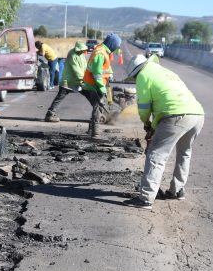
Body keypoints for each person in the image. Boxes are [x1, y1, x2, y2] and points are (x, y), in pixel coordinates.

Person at [122, 54, 205, 210]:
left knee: (156, 154)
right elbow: (164, 100)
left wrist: (146, 123)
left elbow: (144, 106)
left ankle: (146, 198)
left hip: (176, 115)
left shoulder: (143, 76)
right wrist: (154, 125)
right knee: (184, 152)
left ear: (135, 73)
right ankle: (177, 190)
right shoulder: (165, 71)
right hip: (197, 114)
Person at [81, 33, 122, 137]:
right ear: (112, 44)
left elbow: (105, 67)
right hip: (93, 85)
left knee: (97, 106)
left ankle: (91, 129)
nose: (116, 48)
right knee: (97, 107)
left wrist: (110, 75)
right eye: (116, 45)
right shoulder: (100, 53)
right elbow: (96, 73)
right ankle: (95, 131)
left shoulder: (104, 51)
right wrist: (101, 87)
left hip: (97, 84)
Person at [44, 41, 90, 122]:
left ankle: (98, 113)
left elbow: (84, 67)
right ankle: (49, 115)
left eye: (84, 50)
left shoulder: (82, 55)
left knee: (90, 96)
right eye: (82, 50)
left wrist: (87, 76)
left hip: (78, 81)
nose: (83, 51)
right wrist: (84, 79)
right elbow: (76, 70)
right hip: (68, 82)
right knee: (60, 97)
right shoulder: (72, 55)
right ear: (78, 49)